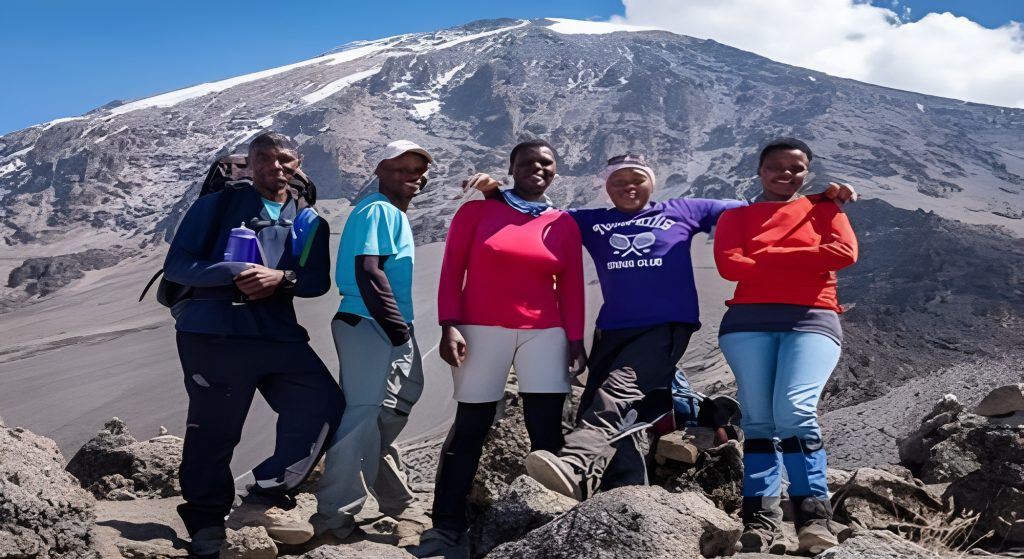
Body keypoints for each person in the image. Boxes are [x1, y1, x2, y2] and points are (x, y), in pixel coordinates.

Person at [464, 154, 855, 501]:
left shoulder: (682, 210)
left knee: (617, 392)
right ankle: (620, 493)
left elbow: (765, 205)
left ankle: (575, 463)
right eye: (619, 182)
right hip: (612, 328)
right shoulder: (590, 221)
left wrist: (824, 198)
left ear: (652, 182)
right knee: (600, 406)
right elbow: (540, 218)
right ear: (607, 187)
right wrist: (497, 193)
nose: (628, 187)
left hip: (666, 326)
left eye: (637, 180)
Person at [163, 132, 343, 558]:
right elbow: (179, 266)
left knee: (323, 404)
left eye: (284, 159)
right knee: (215, 430)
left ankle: (264, 498)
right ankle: (207, 523)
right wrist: (235, 271)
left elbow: (316, 281)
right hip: (214, 335)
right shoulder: (218, 205)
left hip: (278, 334)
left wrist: (281, 279)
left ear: (297, 163)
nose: (275, 166)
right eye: (264, 157)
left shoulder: (309, 219)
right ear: (249, 163)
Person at [412, 139, 586, 559]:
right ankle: (446, 525)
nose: (537, 169)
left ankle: (554, 521)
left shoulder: (563, 222)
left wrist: (576, 339)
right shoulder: (477, 211)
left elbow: (573, 287)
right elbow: (453, 269)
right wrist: (449, 324)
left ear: (556, 171)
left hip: (545, 332)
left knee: (545, 428)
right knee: (472, 424)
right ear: (512, 168)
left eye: (546, 163)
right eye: (527, 162)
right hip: (479, 329)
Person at [713, 138, 858, 555]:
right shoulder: (735, 217)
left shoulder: (826, 208)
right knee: (758, 419)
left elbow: (845, 253)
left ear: (806, 172)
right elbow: (728, 266)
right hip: (746, 323)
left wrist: (762, 255)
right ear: (760, 171)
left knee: (794, 410)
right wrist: (809, 255)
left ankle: (814, 519)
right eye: (775, 166)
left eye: (795, 168)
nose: (785, 174)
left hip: (813, 319)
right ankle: (760, 520)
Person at [313, 141, 432, 540]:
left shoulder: (390, 212)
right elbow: (368, 270)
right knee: (361, 417)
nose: (410, 176)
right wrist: (397, 328)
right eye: (400, 168)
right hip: (372, 322)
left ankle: (398, 502)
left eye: (416, 170)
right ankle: (332, 517)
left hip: (376, 322)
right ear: (380, 170)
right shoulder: (380, 209)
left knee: (383, 414)